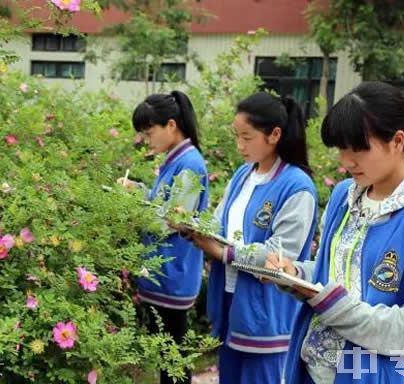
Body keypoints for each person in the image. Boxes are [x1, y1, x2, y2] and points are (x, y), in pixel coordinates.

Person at [266, 81, 404, 384]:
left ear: (397, 141)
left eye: (358, 149)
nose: (346, 162)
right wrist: (295, 274)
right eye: (341, 149)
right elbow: (330, 274)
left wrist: (333, 305)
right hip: (314, 371)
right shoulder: (344, 197)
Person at [190, 92, 318, 384]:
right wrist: (192, 226)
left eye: (247, 137)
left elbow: (279, 256)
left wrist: (223, 253)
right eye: (237, 136)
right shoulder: (242, 175)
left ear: (274, 135)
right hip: (230, 302)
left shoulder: (296, 186)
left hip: (267, 312)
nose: (239, 145)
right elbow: (218, 222)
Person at [119, 91, 208, 384]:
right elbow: (165, 205)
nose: (147, 140)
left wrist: (133, 209)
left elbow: (171, 220)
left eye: (149, 133)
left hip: (173, 276)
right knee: (167, 358)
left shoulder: (190, 164)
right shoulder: (175, 159)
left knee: (173, 361)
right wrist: (140, 191)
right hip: (165, 275)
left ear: (171, 125)